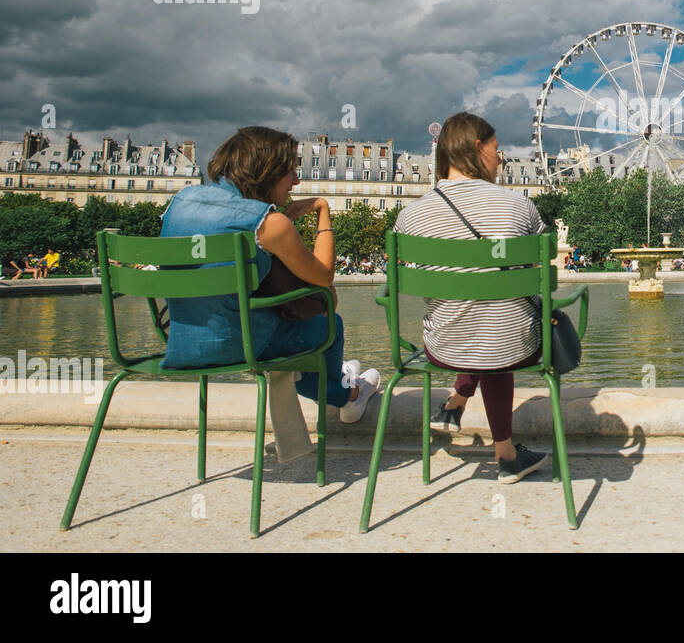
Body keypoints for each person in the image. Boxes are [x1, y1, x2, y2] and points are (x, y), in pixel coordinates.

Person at [160, 126, 381, 422]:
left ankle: (341, 378)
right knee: (330, 317)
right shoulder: (268, 223)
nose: (296, 180)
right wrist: (322, 210)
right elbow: (324, 275)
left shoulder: (181, 200)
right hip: (242, 345)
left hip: (179, 340)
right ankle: (347, 395)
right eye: (290, 171)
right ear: (267, 172)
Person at [394, 112, 551, 483]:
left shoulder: (410, 217)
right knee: (498, 324)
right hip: (515, 343)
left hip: (444, 344)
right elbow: (538, 268)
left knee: (478, 315)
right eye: (497, 149)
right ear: (477, 147)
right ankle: (507, 455)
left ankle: (455, 403)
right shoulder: (518, 205)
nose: (501, 159)